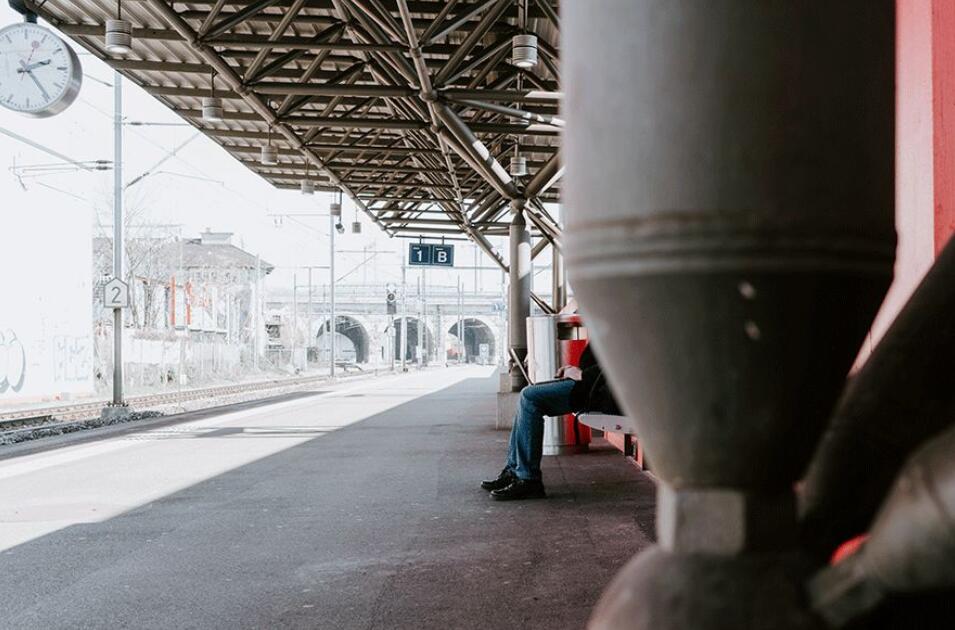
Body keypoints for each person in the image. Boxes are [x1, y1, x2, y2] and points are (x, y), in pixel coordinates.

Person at [482, 343, 621, 501]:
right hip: (591, 386)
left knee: (530, 397)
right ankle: (514, 470)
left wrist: (582, 374)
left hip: (598, 391)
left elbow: (620, 364)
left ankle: (528, 479)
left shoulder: (627, 324)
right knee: (527, 395)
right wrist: (574, 370)